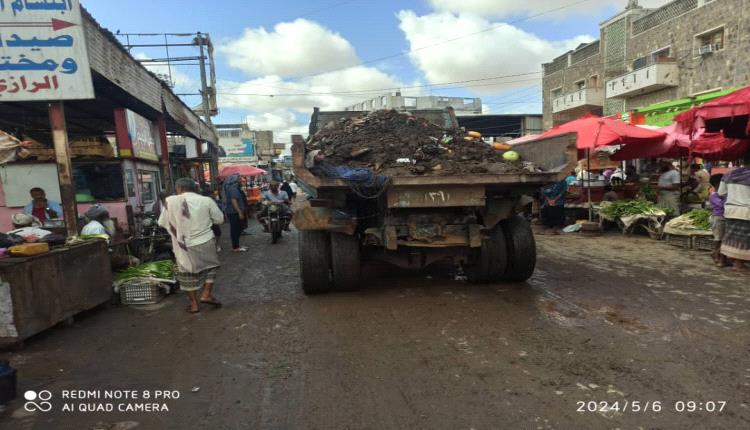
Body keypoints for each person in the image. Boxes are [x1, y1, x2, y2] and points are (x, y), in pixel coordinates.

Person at [158, 178, 224, 313]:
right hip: (205, 241)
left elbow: (162, 222)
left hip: (183, 244)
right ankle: (206, 294)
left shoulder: (171, 202)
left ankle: (194, 305)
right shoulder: (206, 200)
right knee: (211, 267)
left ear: (179, 189)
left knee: (186, 274)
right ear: (194, 188)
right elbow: (220, 219)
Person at [718, 156, 750, 272]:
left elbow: (721, 193)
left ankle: (721, 260)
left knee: (729, 237)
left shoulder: (728, 175)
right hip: (746, 211)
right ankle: (738, 264)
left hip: (730, 210)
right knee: (743, 238)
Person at [222, 174, 248, 252]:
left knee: (237, 229)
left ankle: (236, 246)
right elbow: (234, 201)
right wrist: (239, 212)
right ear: (235, 180)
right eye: (240, 179)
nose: (241, 180)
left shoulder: (234, 188)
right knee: (235, 229)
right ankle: (235, 247)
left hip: (233, 212)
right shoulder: (233, 189)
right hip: (234, 212)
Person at [708, 174, 727, 267]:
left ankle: (718, 255)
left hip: (725, 217)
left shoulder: (723, 194)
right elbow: (723, 205)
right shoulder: (713, 195)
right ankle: (716, 254)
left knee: (724, 239)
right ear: (716, 184)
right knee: (718, 238)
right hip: (719, 218)